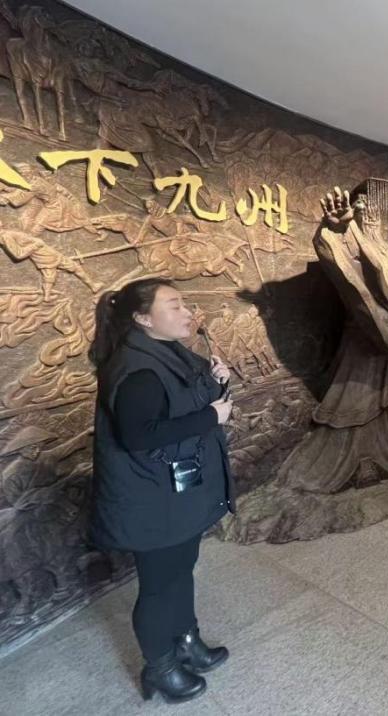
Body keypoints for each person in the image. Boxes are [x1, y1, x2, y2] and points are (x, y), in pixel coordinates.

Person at [89, 278, 235, 704]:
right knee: (158, 585)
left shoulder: (169, 352)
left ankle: (186, 640)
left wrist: (216, 381)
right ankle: (160, 666)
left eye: (184, 304)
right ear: (143, 318)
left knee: (181, 569)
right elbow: (140, 435)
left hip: (174, 491)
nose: (187, 312)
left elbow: (183, 401)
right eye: (174, 305)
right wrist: (210, 416)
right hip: (150, 498)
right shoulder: (136, 369)